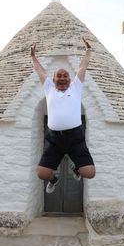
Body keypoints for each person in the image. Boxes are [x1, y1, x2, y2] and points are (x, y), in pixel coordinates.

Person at [31, 37, 95, 193]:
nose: (62, 78)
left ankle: (77, 169)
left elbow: (82, 68)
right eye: (59, 76)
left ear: (69, 79)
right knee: (42, 173)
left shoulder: (75, 88)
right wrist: (33, 57)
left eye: (65, 76)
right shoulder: (49, 89)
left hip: (75, 137)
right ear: (53, 80)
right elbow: (40, 71)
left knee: (90, 173)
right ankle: (54, 179)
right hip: (54, 139)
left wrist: (88, 51)